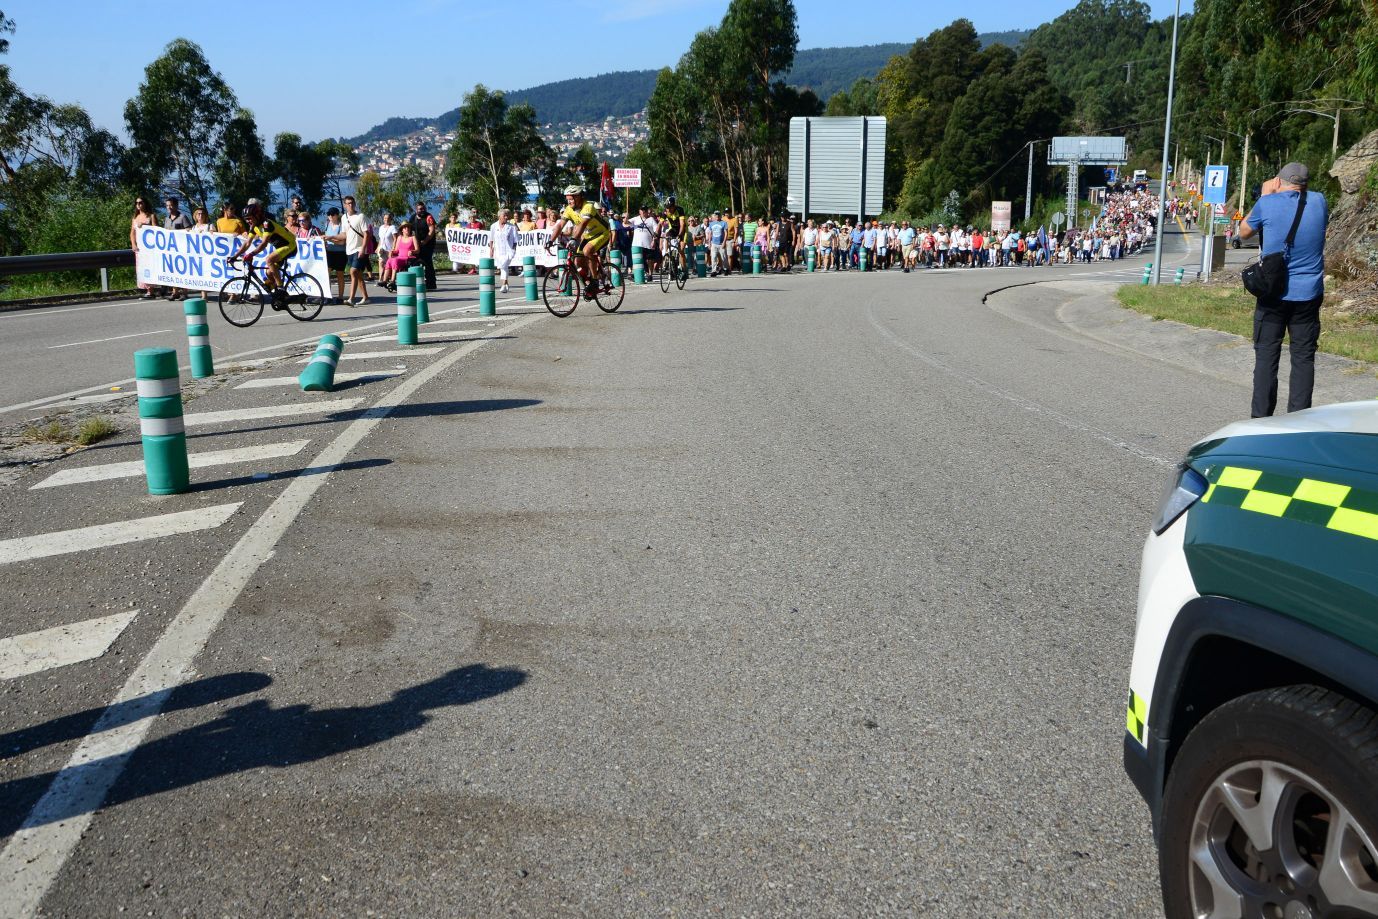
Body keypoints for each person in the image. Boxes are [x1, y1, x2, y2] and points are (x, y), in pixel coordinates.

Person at [1238, 162, 1330, 418]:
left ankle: (1261, 419)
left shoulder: (1267, 203)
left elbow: (1243, 232)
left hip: (1273, 293)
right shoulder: (1319, 201)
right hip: (1309, 293)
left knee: (1267, 356)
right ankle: (1298, 420)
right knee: (1303, 357)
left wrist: (1266, 195)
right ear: (1305, 183)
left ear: (1278, 182)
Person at [545, 184, 612, 299]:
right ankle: (589, 286)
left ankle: (595, 281)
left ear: (578, 197)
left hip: (602, 233)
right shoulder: (569, 209)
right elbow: (560, 225)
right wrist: (550, 241)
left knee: (587, 251)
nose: (569, 202)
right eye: (567, 199)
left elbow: (583, 224)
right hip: (588, 236)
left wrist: (573, 239)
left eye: (571, 199)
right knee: (578, 262)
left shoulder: (588, 207)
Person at [230, 198, 298, 303]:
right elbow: (247, 243)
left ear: (257, 215)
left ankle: (281, 288)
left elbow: (264, 243)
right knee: (269, 273)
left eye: (249, 218)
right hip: (281, 248)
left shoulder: (267, 224)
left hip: (290, 245)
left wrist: (251, 254)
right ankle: (283, 299)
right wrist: (235, 256)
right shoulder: (254, 226)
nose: (248, 221)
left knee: (269, 260)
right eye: (246, 219)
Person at [342, 195, 371, 306]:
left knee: (353, 271)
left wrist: (363, 249)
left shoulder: (360, 216)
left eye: (352, 203)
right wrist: (330, 237)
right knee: (358, 274)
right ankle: (366, 297)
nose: (351, 205)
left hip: (359, 249)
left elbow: (366, 233)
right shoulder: (344, 218)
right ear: (345, 205)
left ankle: (351, 299)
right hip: (349, 249)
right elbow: (344, 234)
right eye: (348, 203)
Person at [162, 197, 192, 300]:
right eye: (167, 205)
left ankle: (184, 292)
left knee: (183, 271)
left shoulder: (183, 217)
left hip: (182, 249)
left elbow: (189, 230)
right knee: (173, 271)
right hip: (171, 250)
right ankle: (175, 292)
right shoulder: (166, 219)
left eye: (171, 205)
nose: (169, 207)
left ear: (176, 205)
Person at [131, 196, 159, 300]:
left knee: (150, 267)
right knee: (142, 268)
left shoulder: (151, 216)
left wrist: (144, 225)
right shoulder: (135, 218)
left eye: (141, 203)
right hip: (140, 248)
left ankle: (151, 290)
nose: (139, 205)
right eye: (137, 203)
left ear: (145, 203)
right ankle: (147, 289)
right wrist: (133, 244)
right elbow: (132, 233)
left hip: (149, 248)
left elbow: (156, 230)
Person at [410, 200, 439, 290]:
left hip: (428, 243)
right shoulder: (413, 217)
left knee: (427, 262)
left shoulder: (429, 217)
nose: (422, 210)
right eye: (420, 209)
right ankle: (418, 282)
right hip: (417, 243)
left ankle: (431, 283)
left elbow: (432, 231)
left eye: (423, 208)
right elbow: (409, 229)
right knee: (415, 262)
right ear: (416, 210)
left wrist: (425, 241)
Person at [489, 208, 518, 294]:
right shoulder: (493, 226)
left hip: (508, 251)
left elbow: (516, 240)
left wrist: (513, 250)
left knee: (503, 265)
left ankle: (503, 285)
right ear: (499, 216)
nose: (506, 217)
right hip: (498, 251)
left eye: (507, 216)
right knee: (503, 267)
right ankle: (506, 284)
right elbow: (491, 239)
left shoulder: (512, 227)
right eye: (504, 216)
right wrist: (491, 249)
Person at [381, 222, 417, 289]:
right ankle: (384, 280)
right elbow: (396, 250)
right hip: (400, 257)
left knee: (395, 260)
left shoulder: (413, 237)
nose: (407, 229)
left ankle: (392, 281)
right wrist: (392, 252)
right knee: (389, 260)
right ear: (402, 230)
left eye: (408, 227)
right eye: (405, 227)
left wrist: (412, 251)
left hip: (408, 258)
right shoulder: (399, 237)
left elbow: (417, 250)